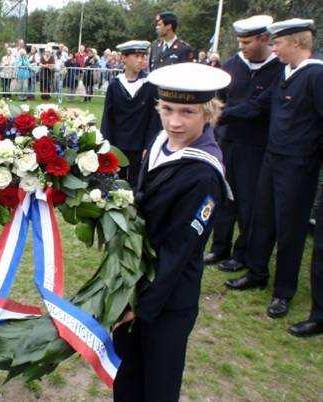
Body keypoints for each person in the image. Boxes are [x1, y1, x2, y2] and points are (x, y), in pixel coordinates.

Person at [112, 62, 231, 402]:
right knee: (128, 375)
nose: (175, 121)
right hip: (136, 281)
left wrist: (141, 305)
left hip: (167, 299)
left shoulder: (204, 172)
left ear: (208, 113)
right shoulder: (163, 140)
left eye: (187, 112)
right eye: (167, 109)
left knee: (159, 386)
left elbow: (179, 251)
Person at [224, 19, 323, 319]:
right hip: (272, 157)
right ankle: (257, 271)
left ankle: (283, 292)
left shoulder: (316, 75)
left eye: (277, 42)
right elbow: (258, 105)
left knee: (290, 229)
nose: (273, 47)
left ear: (295, 43)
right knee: (262, 218)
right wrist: (220, 115)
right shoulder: (285, 72)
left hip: (299, 165)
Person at [204, 15, 283, 270]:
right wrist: (225, 112)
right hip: (228, 142)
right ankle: (219, 248)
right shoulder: (232, 65)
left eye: (247, 42)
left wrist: (226, 113)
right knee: (225, 198)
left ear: (264, 39)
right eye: (240, 41)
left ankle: (242, 254)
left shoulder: (278, 69)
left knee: (249, 203)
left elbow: (260, 108)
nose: (242, 47)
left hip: (257, 147)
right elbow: (219, 100)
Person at [101, 40, 160, 187]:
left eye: (143, 56)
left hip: (140, 147)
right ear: (124, 58)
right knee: (115, 185)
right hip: (118, 145)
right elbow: (108, 118)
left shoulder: (150, 85)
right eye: (136, 56)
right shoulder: (115, 85)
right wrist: (106, 145)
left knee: (137, 185)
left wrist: (149, 145)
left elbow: (154, 119)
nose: (141, 60)